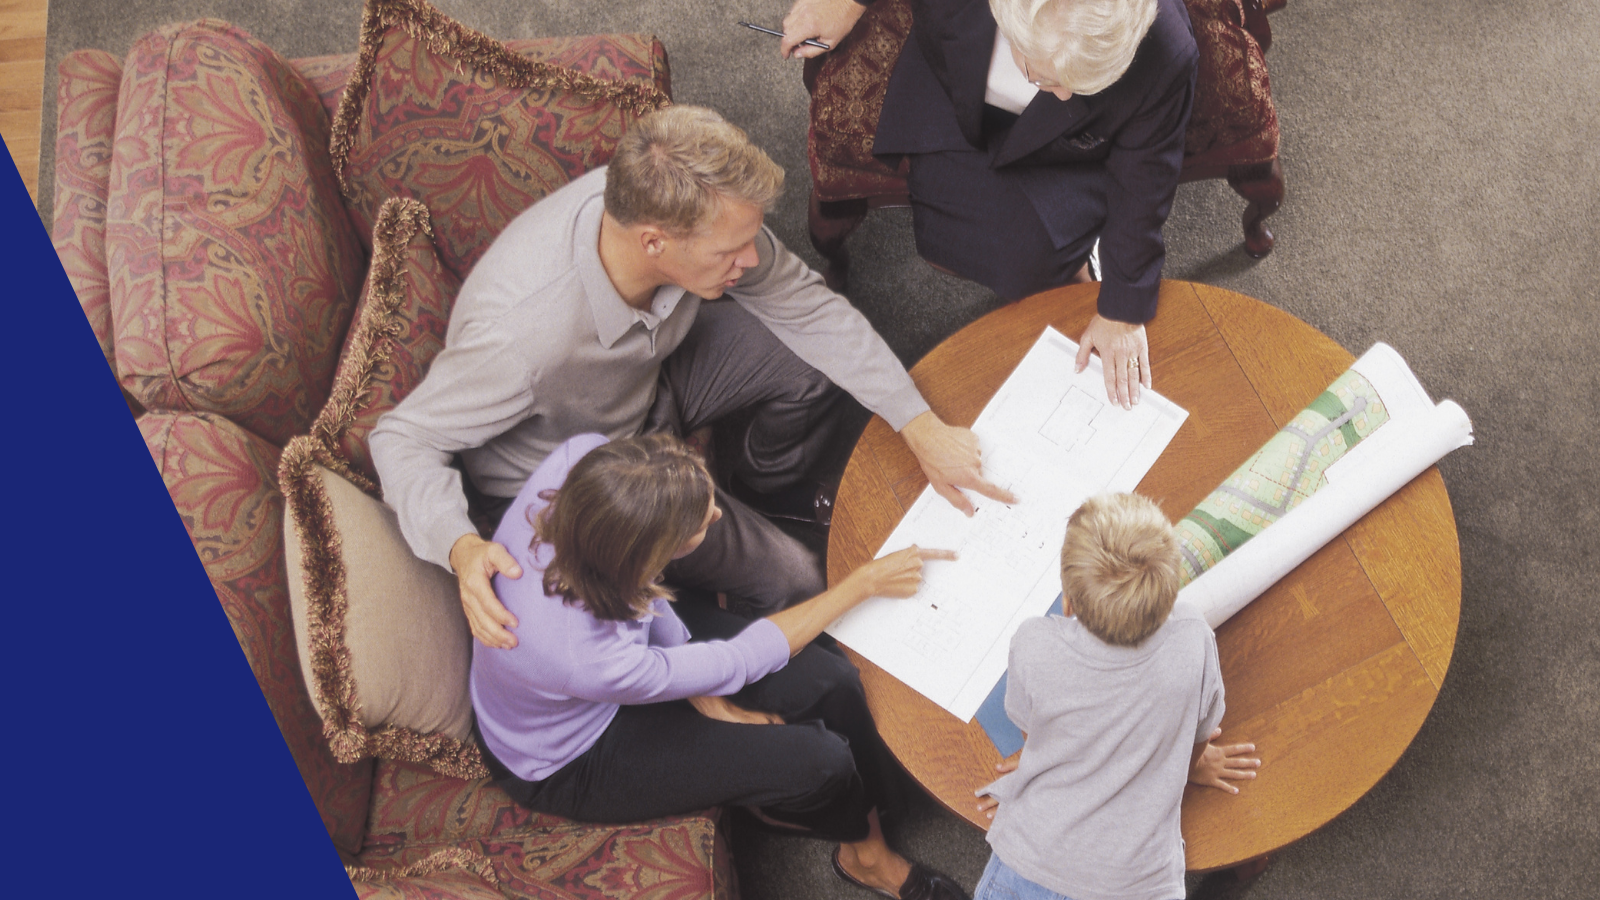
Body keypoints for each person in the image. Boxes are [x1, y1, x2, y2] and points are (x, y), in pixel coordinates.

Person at [370, 105, 1014, 651]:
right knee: (796, 579)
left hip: (653, 380)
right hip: (593, 472)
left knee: (815, 363)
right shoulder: (520, 338)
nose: (753, 259)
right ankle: (736, 615)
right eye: (730, 252)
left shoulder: (689, 215)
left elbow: (809, 309)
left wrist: (918, 423)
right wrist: (459, 549)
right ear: (655, 243)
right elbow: (402, 439)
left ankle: (761, 486)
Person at [471, 431, 969, 900]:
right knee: (822, 761)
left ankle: (874, 804)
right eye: (699, 523)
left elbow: (646, 604)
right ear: (649, 557)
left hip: (624, 639)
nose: (714, 515)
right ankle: (866, 856)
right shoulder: (585, 657)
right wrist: (862, 584)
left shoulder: (580, 459)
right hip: (567, 755)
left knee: (830, 681)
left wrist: (706, 694)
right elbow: (739, 658)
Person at [779, 0, 1199, 410]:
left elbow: (1145, 177)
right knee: (951, 241)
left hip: (1071, 148)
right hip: (956, 88)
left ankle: (1076, 260)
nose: (1066, 94)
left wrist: (1122, 311)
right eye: (1047, 77)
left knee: (1034, 261)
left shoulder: (1166, 48)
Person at [969, 492, 1259, 900]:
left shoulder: (1034, 642)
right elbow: (1200, 734)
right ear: (1168, 594)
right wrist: (1189, 767)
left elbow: (1032, 736)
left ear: (1068, 603)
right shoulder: (1193, 636)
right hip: (1139, 885)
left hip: (1031, 862)